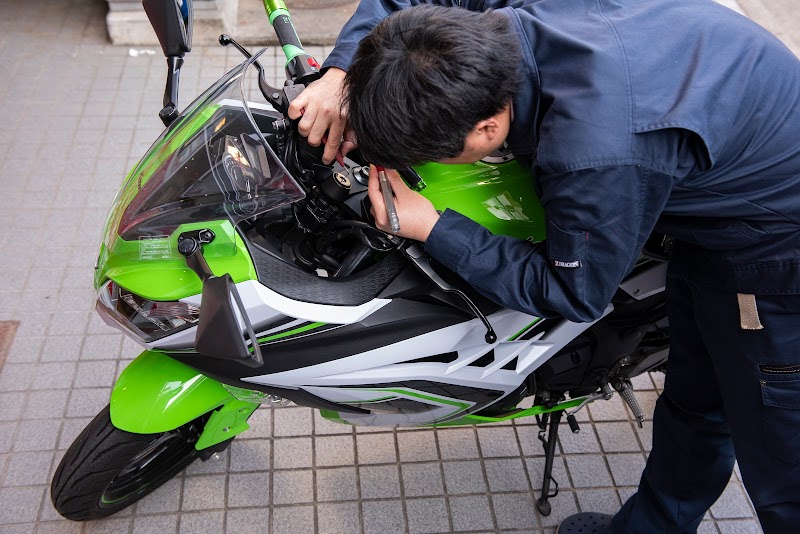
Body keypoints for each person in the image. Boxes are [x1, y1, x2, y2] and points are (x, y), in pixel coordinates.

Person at [289, 1, 800, 532]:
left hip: (773, 251)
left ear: (486, 129)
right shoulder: (498, 29)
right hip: (727, 149)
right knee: (697, 405)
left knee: (779, 450)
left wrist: (434, 227)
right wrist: (343, 72)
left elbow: (574, 291)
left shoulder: (595, 154)